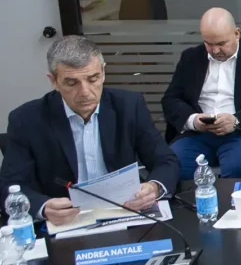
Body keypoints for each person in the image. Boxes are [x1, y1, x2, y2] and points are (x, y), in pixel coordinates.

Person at [0, 36, 179, 226]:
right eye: (72, 83)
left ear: (102, 73)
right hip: (65, 223)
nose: (85, 92)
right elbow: (9, 185)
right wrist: (43, 207)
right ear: (53, 81)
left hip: (125, 212)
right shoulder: (26, 120)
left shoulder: (128, 106)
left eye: (92, 79)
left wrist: (154, 187)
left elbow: (166, 161)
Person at [161, 7, 241, 178]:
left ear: (236, 34)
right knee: (173, 164)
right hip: (198, 134)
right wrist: (193, 120)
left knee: (239, 167)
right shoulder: (191, 58)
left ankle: (233, 205)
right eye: (208, 44)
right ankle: (189, 204)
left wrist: (236, 120)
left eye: (221, 44)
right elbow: (171, 99)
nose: (215, 50)